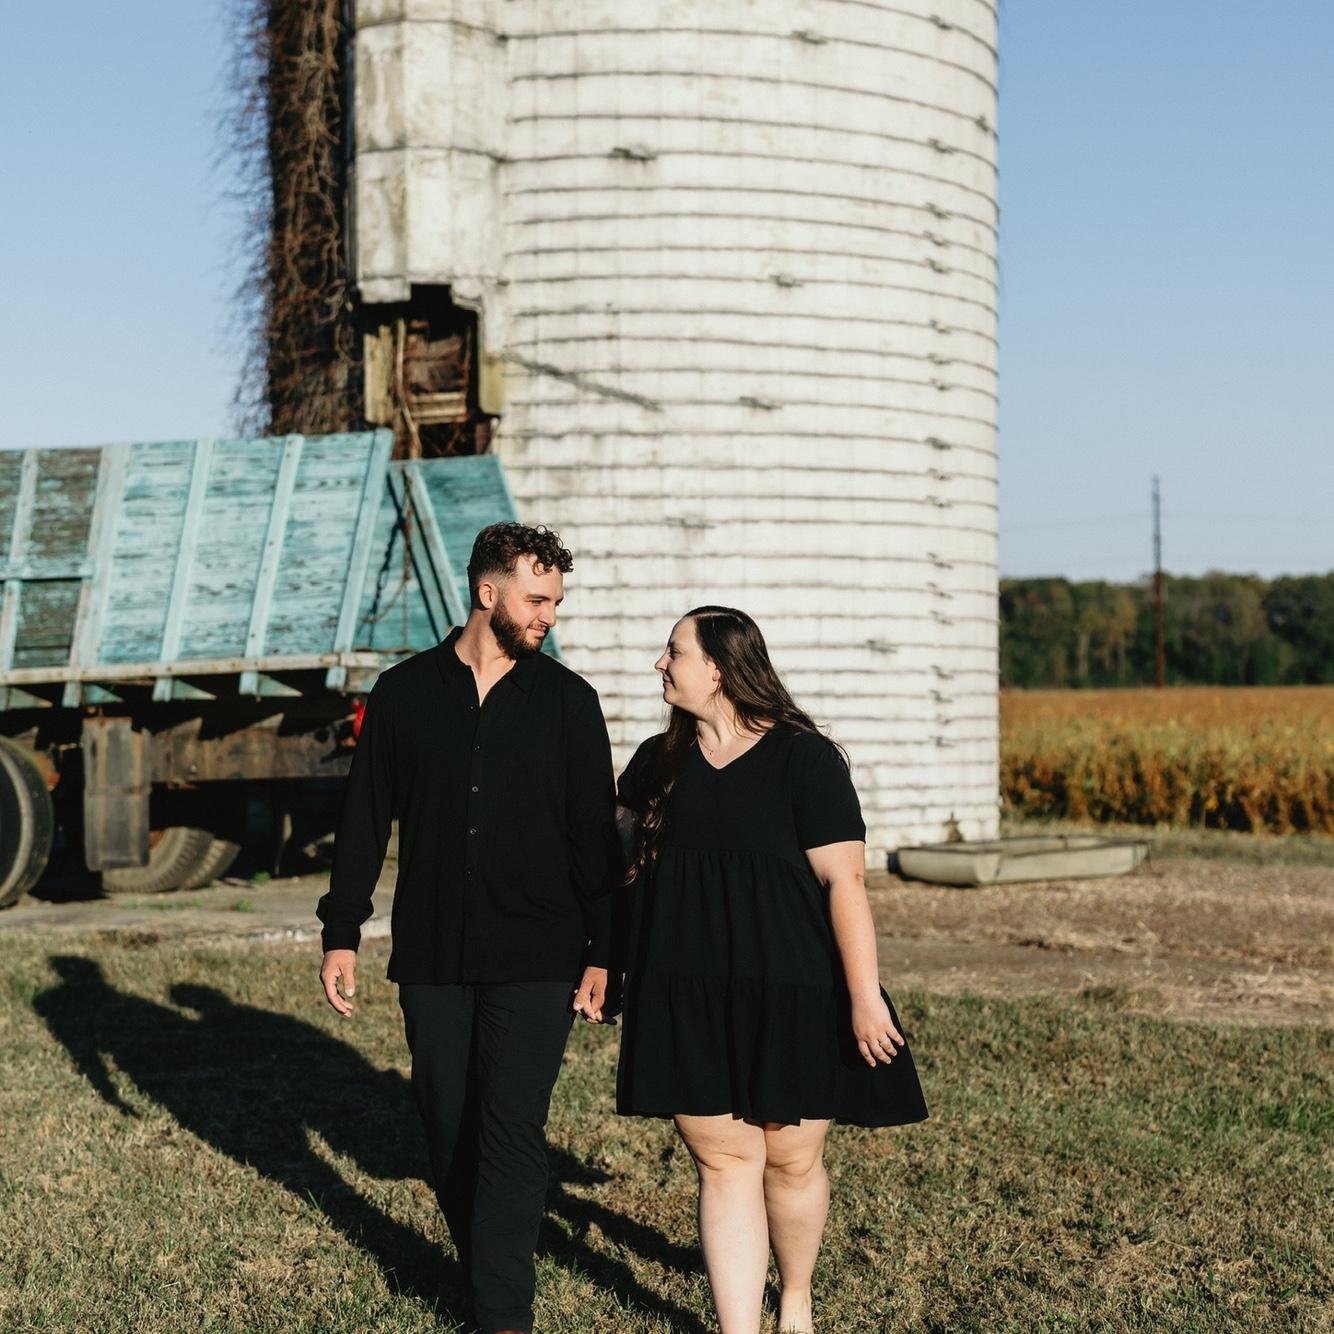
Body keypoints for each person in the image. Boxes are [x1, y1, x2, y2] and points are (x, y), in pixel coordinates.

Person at [316, 522, 619, 1334]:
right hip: (434, 952)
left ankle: (501, 1313)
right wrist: (342, 930)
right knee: (447, 1128)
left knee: (512, 1129)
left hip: (540, 952)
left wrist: (603, 952)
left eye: (556, 601)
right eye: (537, 599)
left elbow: (595, 840)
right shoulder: (403, 693)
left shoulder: (569, 703)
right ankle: (485, 1268)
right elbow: (364, 818)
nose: (549, 615)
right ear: (489, 593)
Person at [614, 606, 928, 1334]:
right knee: (724, 1162)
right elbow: (613, 869)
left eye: (673, 652)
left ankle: (795, 1298)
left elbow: (845, 884)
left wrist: (864, 998)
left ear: (718, 669)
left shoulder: (805, 761)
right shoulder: (656, 765)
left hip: (794, 990)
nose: (660, 664)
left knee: (790, 1160)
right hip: (686, 994)